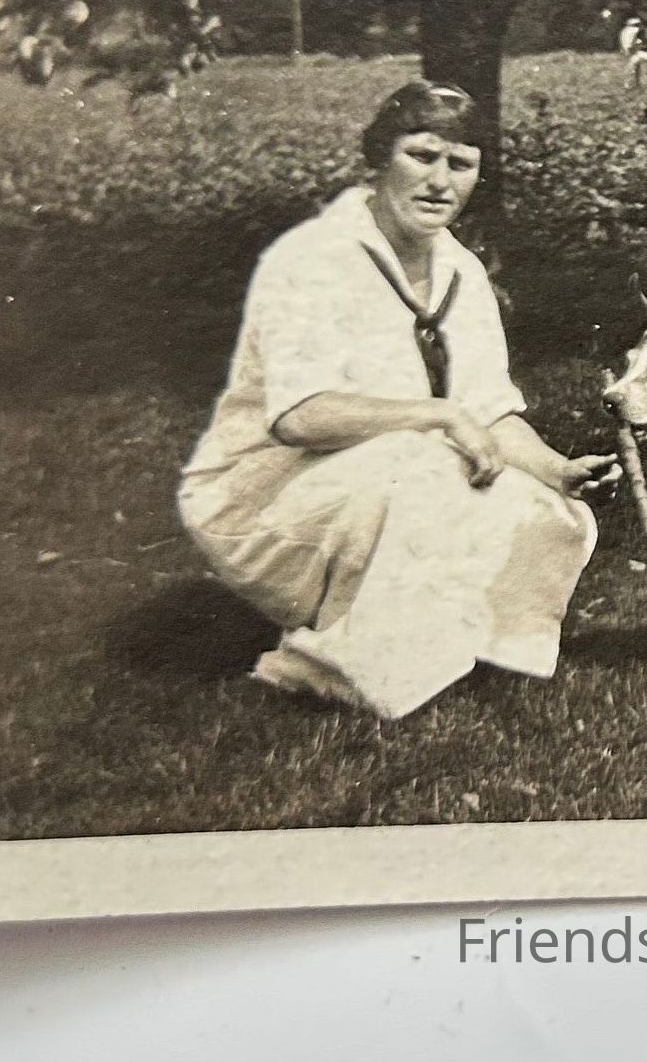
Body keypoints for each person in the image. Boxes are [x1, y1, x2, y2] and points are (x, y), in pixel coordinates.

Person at [177, 80, 620, 717]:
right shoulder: (312, 260)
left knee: (551, 511)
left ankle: (469, 649)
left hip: (373, 476)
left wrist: (558, 469)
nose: (440, 181)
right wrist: (438, 415)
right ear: (380, 158)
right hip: (260, 492)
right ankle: (328, 670)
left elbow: (489, 408)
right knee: (425, 469)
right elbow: (298, 418)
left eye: (461, 164)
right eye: (421, 155)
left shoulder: (461, 272)